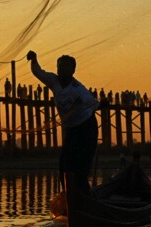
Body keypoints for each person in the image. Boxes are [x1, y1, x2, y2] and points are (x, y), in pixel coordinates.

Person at [26, 50, 100, 202]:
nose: (61, 70)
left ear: (73, 71)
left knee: (82, 167)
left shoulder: (78, 89)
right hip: (72, 129)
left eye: (66, 67)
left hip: (87, 128)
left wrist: (100, 105)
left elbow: (91, 103)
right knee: (64, 167)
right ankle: (69, 199)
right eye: (59, 67)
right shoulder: (53, 81)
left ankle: (85, 199)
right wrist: (34, 59)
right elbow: (38, 72)